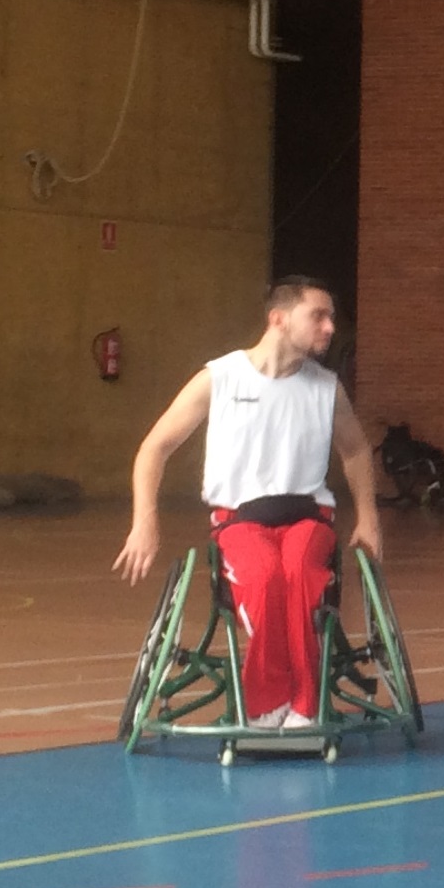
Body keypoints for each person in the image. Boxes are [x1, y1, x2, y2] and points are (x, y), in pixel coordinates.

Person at [113, 277, 383, 732]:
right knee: (263, 579)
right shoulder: (219, 379)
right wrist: (145, 520)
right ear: (278, 320)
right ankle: (265, 701)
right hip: (240, 522)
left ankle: (303, 703)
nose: (330, 327)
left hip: (307, 517)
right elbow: (154, 448)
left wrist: (369, 517)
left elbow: (355, 450)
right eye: (318, 316)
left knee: (299, 575)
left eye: (331, 317)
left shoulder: (326, 388)